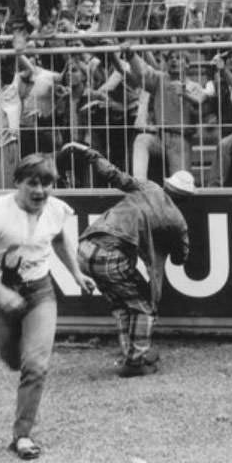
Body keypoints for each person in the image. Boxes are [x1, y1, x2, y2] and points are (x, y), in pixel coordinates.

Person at [0, 153, 95, 460]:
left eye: (47, 183)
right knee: (13, 359)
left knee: (35, 365)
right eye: (32, 183)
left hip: (40, 293)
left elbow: (59, 239)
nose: (40, 191)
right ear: (17, 183)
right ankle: (15, 356)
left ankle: (22, 435)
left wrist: (75, 272)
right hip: (0, 298)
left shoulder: (57, 210)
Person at [61, 141, 191, 376]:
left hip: (86, 247)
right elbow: (181, 257)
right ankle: (136, 360)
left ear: (167, 185)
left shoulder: (148, 187)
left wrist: (90, 153)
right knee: (143, 306)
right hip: (112, 253)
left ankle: (129, 354)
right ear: (185, 198)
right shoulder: (177, 220)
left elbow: (114, 175)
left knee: (122, 304)